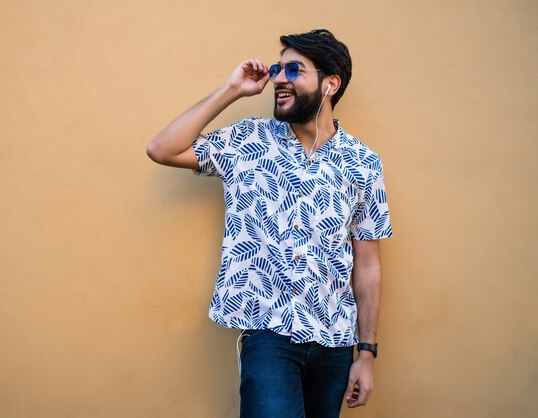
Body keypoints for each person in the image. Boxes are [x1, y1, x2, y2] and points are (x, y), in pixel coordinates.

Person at [147, 29, 392, 418]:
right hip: (270, 334)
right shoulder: (248, 142)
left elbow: (368, 264)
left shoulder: (363, 162)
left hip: (335, 341)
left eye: (295, 69)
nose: (280, 78)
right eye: (279, 68)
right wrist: (232, 89)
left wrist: (367, 353)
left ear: (331, 84)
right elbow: (162, 149)